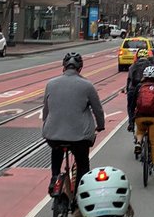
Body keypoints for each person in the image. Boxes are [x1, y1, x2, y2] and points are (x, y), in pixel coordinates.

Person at [42, 52, 106, 196]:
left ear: (64, 67)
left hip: (53, 134)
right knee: (83, 162)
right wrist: (100, 125)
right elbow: (98, 110)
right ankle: (80, 194)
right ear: (80, 68)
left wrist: (47, 124)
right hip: (79, 137)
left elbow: (46, 110)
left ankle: (54, 177)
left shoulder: (50, 84)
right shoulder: (87, 86)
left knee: (56, 149)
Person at [125, 48, 152, 131]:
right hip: (147, 89)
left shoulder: (132, 66)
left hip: (133, 90)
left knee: (130, 107)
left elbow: (129, 79)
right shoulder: (151, 66)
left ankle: (131, 123)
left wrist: (127, 90)